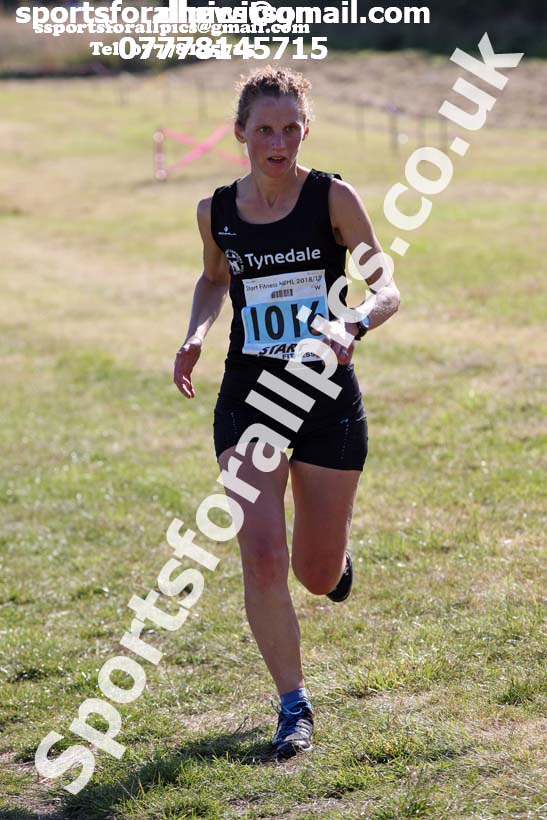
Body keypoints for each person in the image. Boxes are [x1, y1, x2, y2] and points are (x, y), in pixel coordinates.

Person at [173, 66, 400, 760]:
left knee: (314, 573)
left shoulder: (331, 197)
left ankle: (334, 568)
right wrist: (194, 334)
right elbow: (214, 279)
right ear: (239, 133)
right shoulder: (217, 210)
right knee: (261, 552)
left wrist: (351, 324)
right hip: (249, 395)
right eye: (263, 129)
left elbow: (386, 284)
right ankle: (292, 704)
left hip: (325, 395)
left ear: (306, 131)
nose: (277, 142)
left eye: (289, 129)